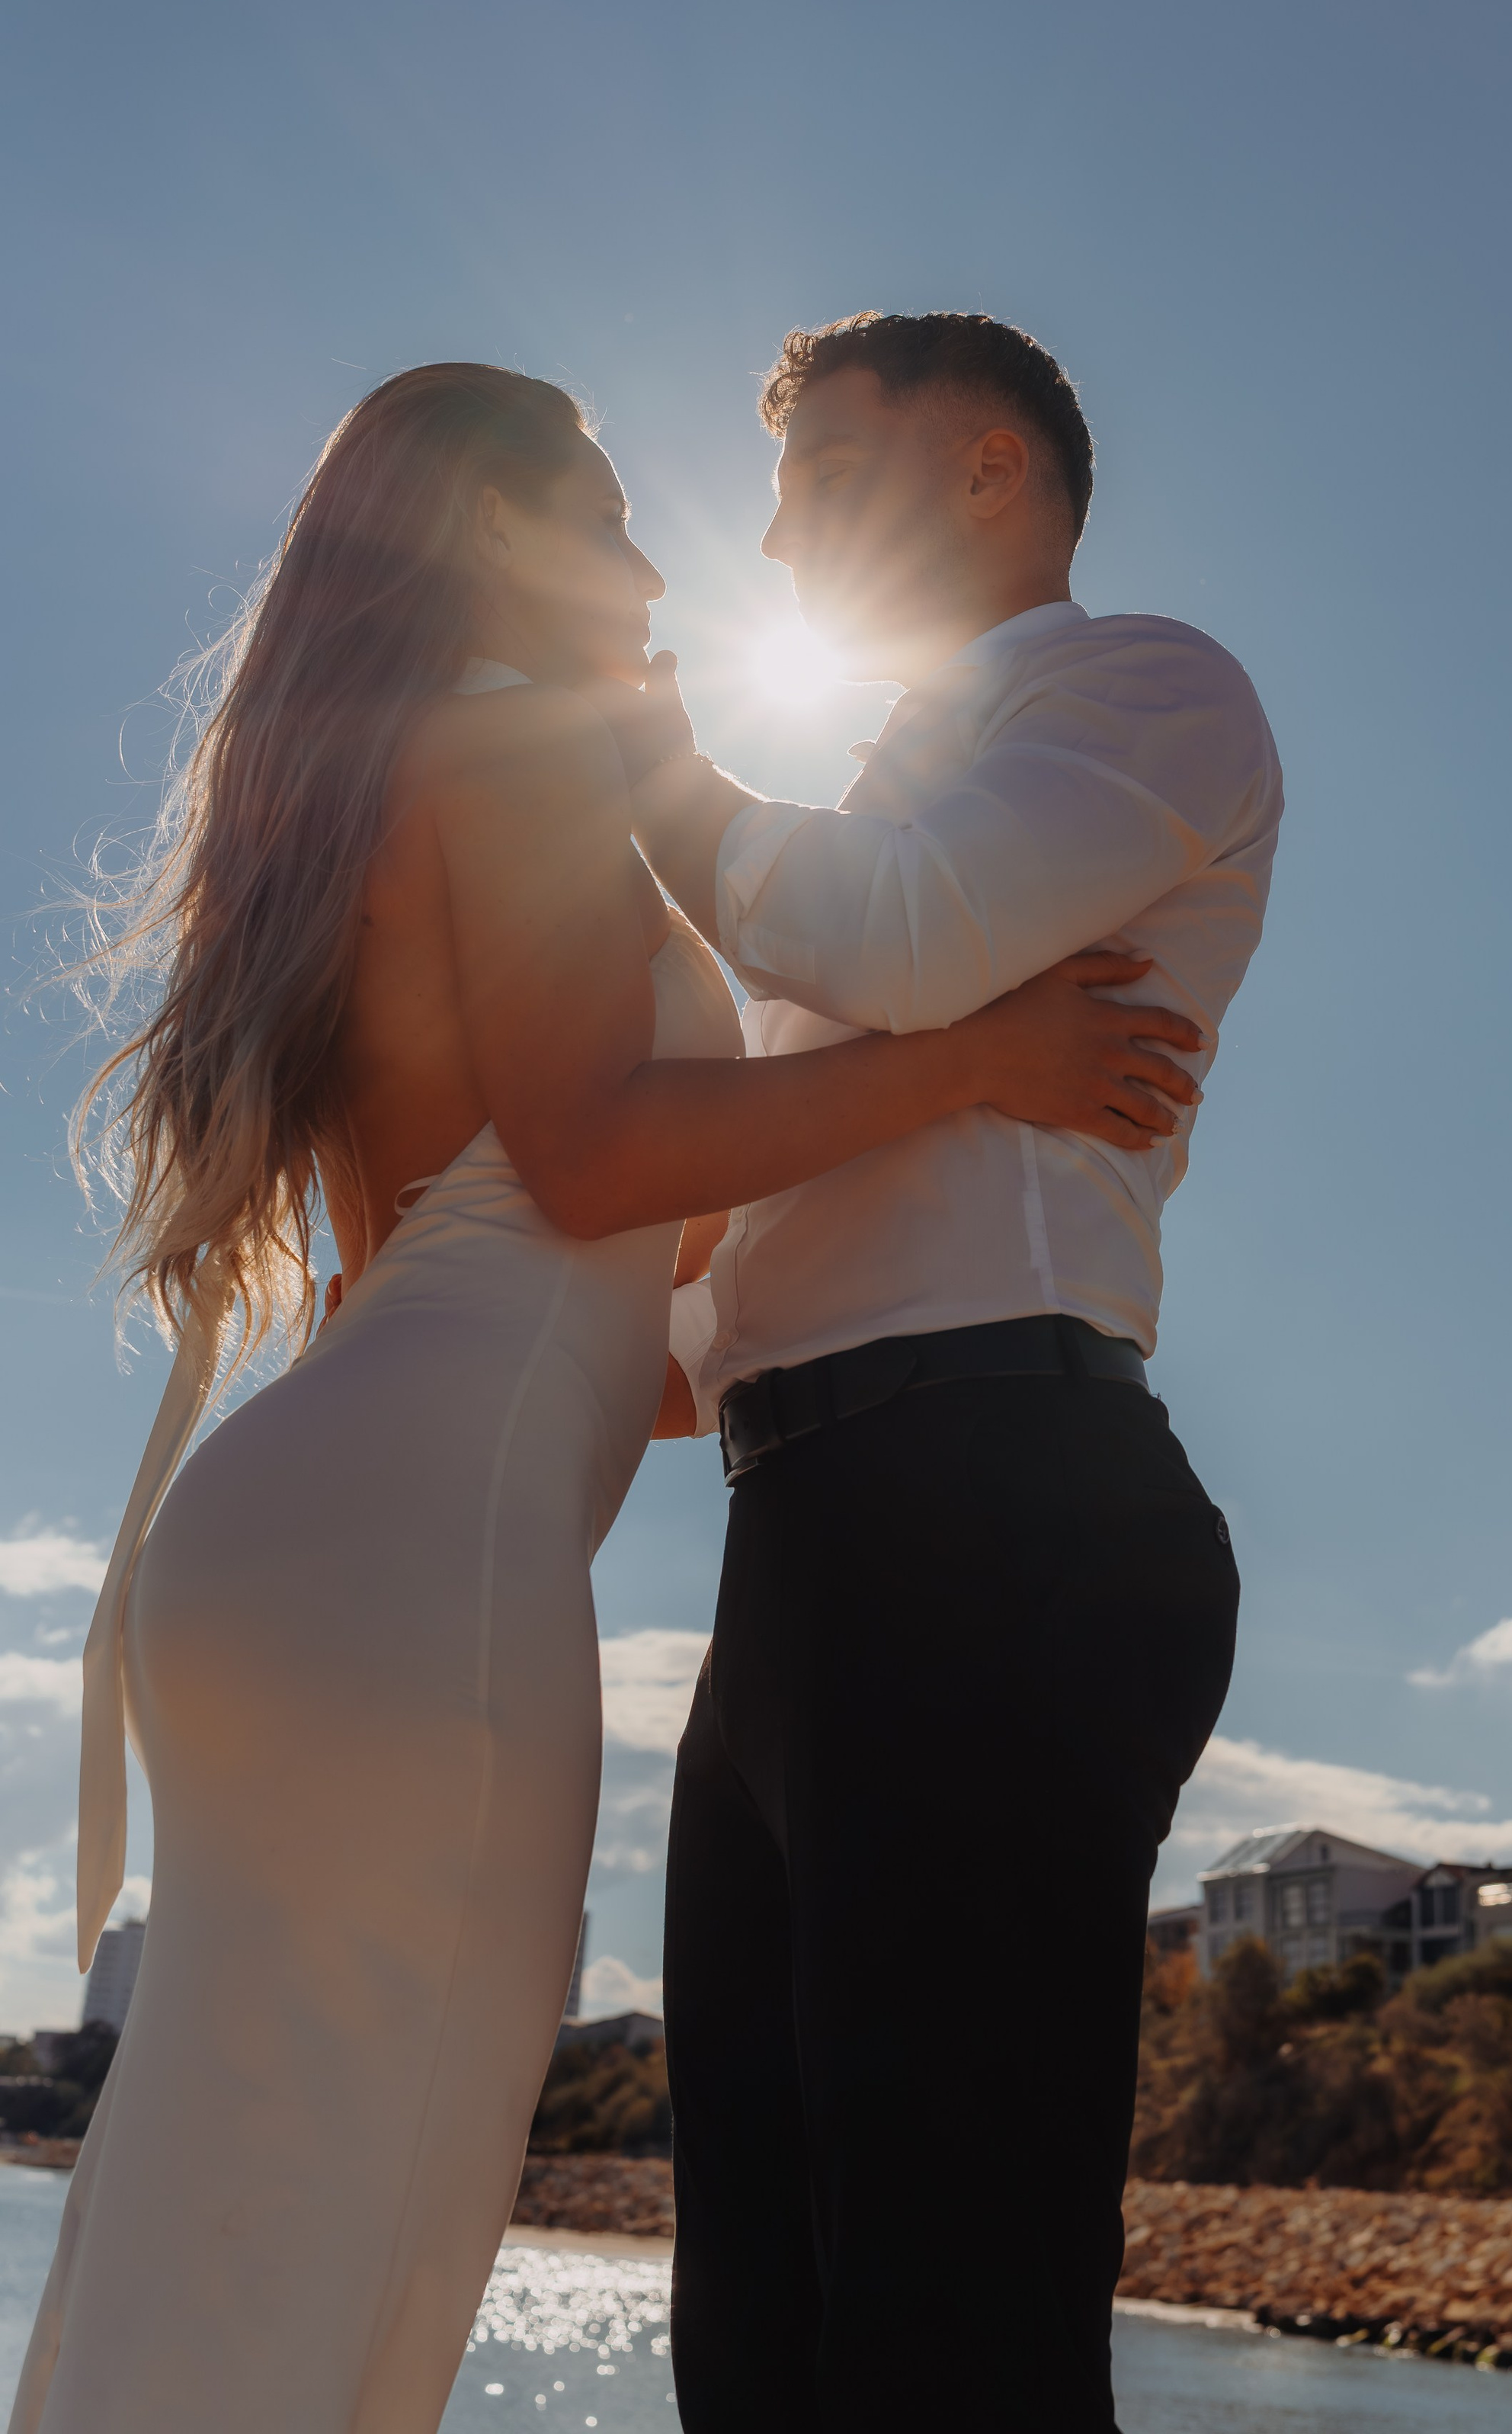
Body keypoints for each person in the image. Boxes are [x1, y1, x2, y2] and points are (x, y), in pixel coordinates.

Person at [10, 361, 1203, 2434]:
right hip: (421, 1570)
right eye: (616, 516)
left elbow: (545, 1292)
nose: (667, 568)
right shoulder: (521, 753)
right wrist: (973, 1066)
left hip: (294, 1520)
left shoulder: (366, 783)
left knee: (222, 2181)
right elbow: (590, 1155)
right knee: (363, 2204)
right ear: (501, 542)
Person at [613, 311, 1283, 2433]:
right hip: (801, 1540)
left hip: (1003, 1499)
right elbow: (743, 1283)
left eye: (821, 469)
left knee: (947, 2323)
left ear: (992, 466)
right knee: (760, 2323)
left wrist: (637, 761)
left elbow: (903, 931)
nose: (781, 526)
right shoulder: (877, 820)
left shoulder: (1144, 688)